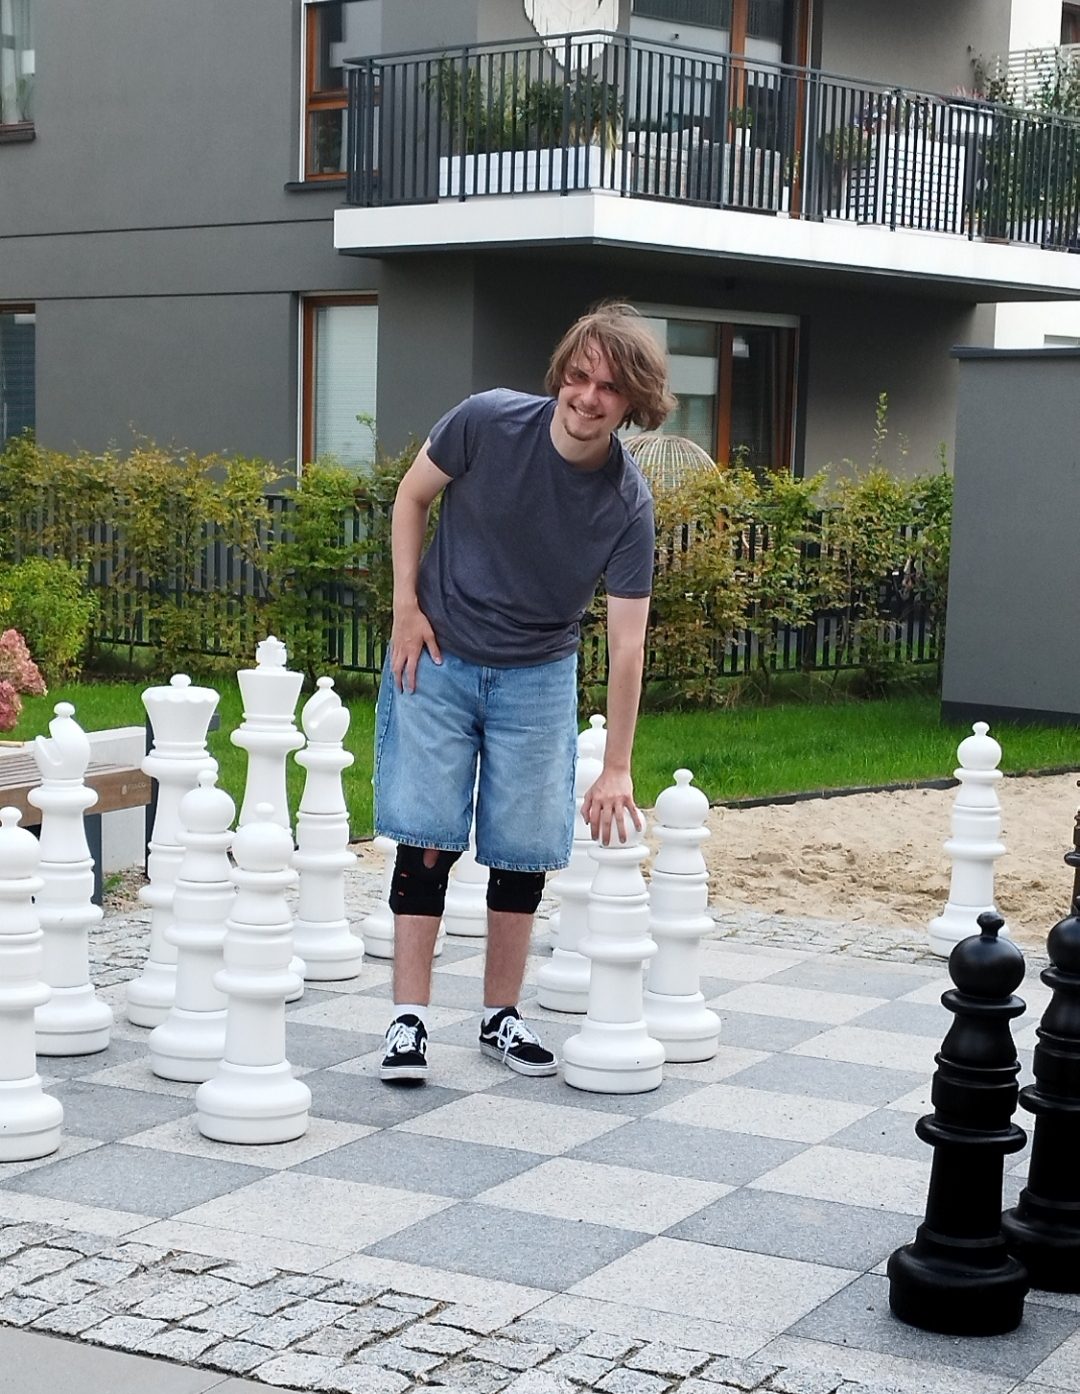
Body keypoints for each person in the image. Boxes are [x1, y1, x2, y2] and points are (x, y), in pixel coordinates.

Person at [373, 302, 675, 1083]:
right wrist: (405, 609)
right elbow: (411, 497)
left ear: (632, 404)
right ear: (561, 377)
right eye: (579, 377)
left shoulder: (626, 502)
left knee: (521, 852)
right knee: (427, 840)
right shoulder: (487, 422)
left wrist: (618, 766)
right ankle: (407, 1022)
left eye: (609, 388)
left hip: (538, 676)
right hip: (438, 656)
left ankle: (499, 1016)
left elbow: (629, 643)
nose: (588, 397)